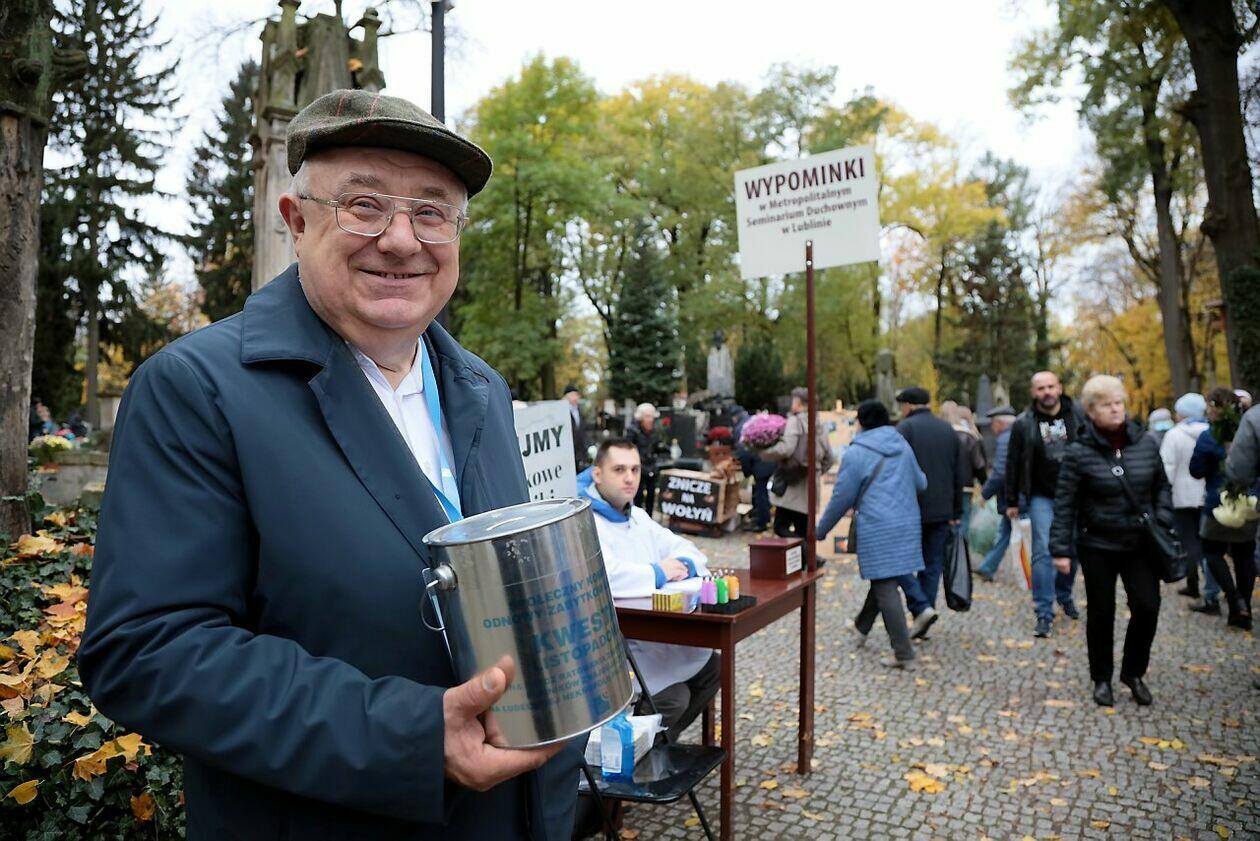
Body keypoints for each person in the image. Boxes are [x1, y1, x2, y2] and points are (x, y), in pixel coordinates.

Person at [78, 89, 581, 838]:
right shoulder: (197, 389)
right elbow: (146, 652)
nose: (402, 240)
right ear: (296, 220)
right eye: (364, 206)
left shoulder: (482, 388)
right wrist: (412, 736)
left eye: (432, 212)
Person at [580, 439, 719, 741]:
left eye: (635, 469)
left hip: (653, 636)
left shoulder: (637, 516)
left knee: (713, 666)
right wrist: (658, 572)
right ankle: (642, 747)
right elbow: (607, 575)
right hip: (617, 648)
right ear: (597, 474)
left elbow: (685, 548)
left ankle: (663, 743)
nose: (629, 478)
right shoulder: (586, 522)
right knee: (676, 698)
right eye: (619, 470)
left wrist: (684, 564)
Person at [1051, 375, 1172, 708]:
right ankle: (1101, 678)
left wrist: (1162, 520)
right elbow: (1065, 503)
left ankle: (1133, 672)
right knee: (1102, 612)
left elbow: (1162, 486)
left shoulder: (1145, 443)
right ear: (1091, 411)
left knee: (1147, 607)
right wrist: (1060, 549)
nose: (1116, 409)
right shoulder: (1079, 452)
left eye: (1119, 403)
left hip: (1140, 543)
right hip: (1098, 544)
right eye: (1107, 405)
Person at [816, 400, 926, 669]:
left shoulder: (857, 452)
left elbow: (842, 497)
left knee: (884, 585)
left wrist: (820, 530)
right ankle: (861, 627)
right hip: (907, 523)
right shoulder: (901, 444)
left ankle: (904, 653)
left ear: (862, 422)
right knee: (884, 578)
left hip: (877, 526)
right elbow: (921, 483)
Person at [1005, 371, 1084, 638]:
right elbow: (1013, 462)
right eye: (1041, 388)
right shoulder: (1024, 423)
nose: (1047, 392)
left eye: (1051, 386)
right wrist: (1011, 499)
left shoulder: (1078, 416)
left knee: (1073, 548)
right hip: (1041, 496)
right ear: (1033, 392)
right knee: (1043, 551)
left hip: (1076, 494)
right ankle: (1043, 611)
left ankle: (1064, 593)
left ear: (1059, 388)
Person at [893, 386, 963, 638]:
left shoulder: (905, 429)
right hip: (942, 508)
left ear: (908, 405)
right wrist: (956, 510)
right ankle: (924, 615)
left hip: (910, 507)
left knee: (898, 560)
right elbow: (958, 472)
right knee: (932, 564)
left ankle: (920, 607)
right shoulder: (947, 430)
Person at [1189, 387, 1256, 630]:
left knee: (1212, 551)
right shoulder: (1248, 433)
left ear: (1216, 407)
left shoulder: (1209, 437)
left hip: (1217, 504)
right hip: (1248, 503)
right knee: (1244, 555)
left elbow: (1196, 470)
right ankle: (1244, 607)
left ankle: (1234, 598)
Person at [1159, 393, 1218, 610]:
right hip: (1207, 495)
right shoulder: (1212, 432)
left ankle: (1193, 583)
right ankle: (1210, 587)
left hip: (1182, 497)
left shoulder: (1174, 435)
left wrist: (1164, 494)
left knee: (1189, 543)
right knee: (1207, 543)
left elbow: (1167, 467)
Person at [760, 386, 834, 540]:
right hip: (810, 485)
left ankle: (803, 550)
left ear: (799, 403)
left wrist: (764, 453)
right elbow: (829, 458)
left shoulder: (795, 421)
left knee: (780, 526)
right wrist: (816, 471)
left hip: (792, 482)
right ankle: (805, 552)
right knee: (803, 528)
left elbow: (786, 449)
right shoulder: (819, 424)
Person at [976, 406, 1018, 582]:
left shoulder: (1005, 439)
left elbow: (1000, 472)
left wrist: (985, 493)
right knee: (1005, 532)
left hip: (1014, 497)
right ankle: (987, 567)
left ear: (1000, 423)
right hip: (1016, 496)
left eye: (993, 424)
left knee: (1019, 534)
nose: (992, 428)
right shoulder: (1014, 435)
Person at [941, 401, 987, 537]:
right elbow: (978, 464)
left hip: (944, 486)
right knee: (964, 519)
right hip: (966, 486)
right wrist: (985, 484)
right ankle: (961, 547)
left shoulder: (939, 435)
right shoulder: (969, 436)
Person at [626, 402, 667, 516]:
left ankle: (649, 517)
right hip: (638, 466)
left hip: (651, 466)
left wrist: (664, 450)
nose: (650, 420)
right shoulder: (633, 430)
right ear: (641, 418)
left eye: (652, 417)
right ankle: (636, 516)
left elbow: (657, 446)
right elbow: (628, 448)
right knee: (638, 494)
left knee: (651, 493)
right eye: (647, 417)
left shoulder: (654, 430)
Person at [565, 383, 589, 471]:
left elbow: (583, 429)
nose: (575, 398)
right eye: (572, 395)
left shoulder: (579, 410)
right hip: (569, 450)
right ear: (566, 397)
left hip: (580, 451)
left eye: (576, 395)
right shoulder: (563, 411)